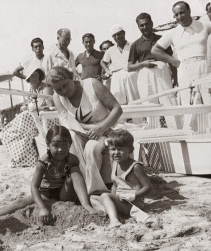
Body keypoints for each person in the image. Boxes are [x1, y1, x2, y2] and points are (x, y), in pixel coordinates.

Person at [0, 126, 96, 223]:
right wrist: (42, 208)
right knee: (20, 202)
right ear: (48, 145)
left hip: (64, 194)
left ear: (70, 144)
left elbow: (77, 181)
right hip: (46, 193)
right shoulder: (44, 162)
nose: (60, 149)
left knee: (75, 171)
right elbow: (34, 186)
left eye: (64, 145)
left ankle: (86, 205)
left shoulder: (72, 159)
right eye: (55, 145)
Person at [48, 66, 122, 195]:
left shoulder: (92, 84)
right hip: (81, 131)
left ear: (71, 77)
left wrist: (101, 127)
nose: (64, 91)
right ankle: (82, 185)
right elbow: (67, 123)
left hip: (107, 128)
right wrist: (91, 128)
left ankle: (95, 190)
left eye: (65, 85)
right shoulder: (57, 98)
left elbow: (117, 109)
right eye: (59, 89)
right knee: (70, 137)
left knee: (91, 148)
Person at [152, 1, 211, 131]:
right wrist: (174, 62)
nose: (179, 17)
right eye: (176, 14)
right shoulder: (173, 33)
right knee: (189, 105)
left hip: (204, 68)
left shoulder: (205, 26)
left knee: (209, 102)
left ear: (189, 11)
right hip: (185, 69)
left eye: (182, 12)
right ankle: (191, 135)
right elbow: (155, 50)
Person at [0, 67, 55, 168]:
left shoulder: (45, 88)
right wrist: (27, 107)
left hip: (47, 119)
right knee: (22, 132)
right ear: (27, 78)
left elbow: (51, 107)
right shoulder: (30, 90)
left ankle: (1, 137)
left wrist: (35, 108)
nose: (34, 78)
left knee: (24, 118)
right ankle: (19, 158)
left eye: (36, 75)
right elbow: (30, 105)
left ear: (40, 76)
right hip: (35, 120)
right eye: (31, 76)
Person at [90, 129, 152, 227]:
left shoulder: (135, 167)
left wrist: (134, 196)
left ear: (131, 150)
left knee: (105, 196)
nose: (116, 153)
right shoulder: (115, 164)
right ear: (108, 150)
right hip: (120, 200)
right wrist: (111, 197)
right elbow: (115, 184)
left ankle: (114, 220)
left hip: (133, 202)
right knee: (93, 198)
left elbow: (148, 187)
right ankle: (114, 212)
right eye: (113, 149)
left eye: (120, 149)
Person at [101, 25, 140, 105]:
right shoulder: (110, 50)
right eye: (114, 35)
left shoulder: (133, 45)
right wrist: (107, 70)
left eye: (119, 34)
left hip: (131, 75)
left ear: (124, 33)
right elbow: (102, 62)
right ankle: (122, 118)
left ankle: (138, 118)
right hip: (116, 76)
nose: (117, 37)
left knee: (135, 100)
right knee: (119, 102)